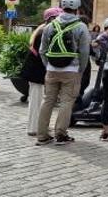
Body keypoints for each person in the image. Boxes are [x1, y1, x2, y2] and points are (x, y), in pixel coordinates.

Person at [36, 0, 90, 146]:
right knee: (66, 102)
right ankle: (60, 134)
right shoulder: (81, 27)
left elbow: (42, 50)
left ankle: (42, 135)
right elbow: (85, 52)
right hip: (71, 70)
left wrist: (47, 65)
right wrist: (81, 69)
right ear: (77, 9)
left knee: (48, 101)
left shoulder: (50, 26)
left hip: (51, 69)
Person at [20, 7, 62, 136]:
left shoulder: (43, 29)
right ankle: (33, 128)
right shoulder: (45, 31)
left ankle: (38, 126)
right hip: (36, 72)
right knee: (36, 101)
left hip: (37, 71)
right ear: (51, 18)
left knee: (39, 100)